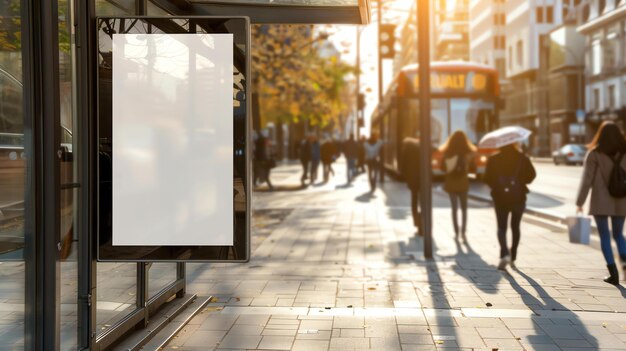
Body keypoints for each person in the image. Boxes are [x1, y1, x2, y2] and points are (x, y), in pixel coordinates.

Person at [576, 121, 626, 285]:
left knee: (605, 236)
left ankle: (613, 274)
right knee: (618, 235)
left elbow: (586, 181)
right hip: (621, 199)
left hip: (601, 201)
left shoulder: (594, 154)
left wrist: (580, 201)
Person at [484, 141, 536, 270]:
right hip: (518, 197)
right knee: (515, 227)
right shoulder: (522, 157)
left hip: (500, 197)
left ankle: (504, 254)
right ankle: (513, 256)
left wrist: (497, 186)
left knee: (501, 227)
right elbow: (532, 175)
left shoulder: (494, 159)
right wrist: (520, 182)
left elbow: (486, 178)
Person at [440, 131, 476, 242]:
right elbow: (473, 169)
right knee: (464, 209)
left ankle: (456, 232)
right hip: (463, 183)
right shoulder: (468, 153)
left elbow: (442, 168)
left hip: (451, 183)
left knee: (454, 209)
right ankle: (463, 233)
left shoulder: (447, 152)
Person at [401, 137, 421, 234]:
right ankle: (423, 223)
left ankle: (417, 222)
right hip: (423, 180)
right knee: (423, 202)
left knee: (414, 201)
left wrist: (407, 177)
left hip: (413, 181)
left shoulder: (406, 151)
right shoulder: (420, 148)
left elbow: (403, 167)